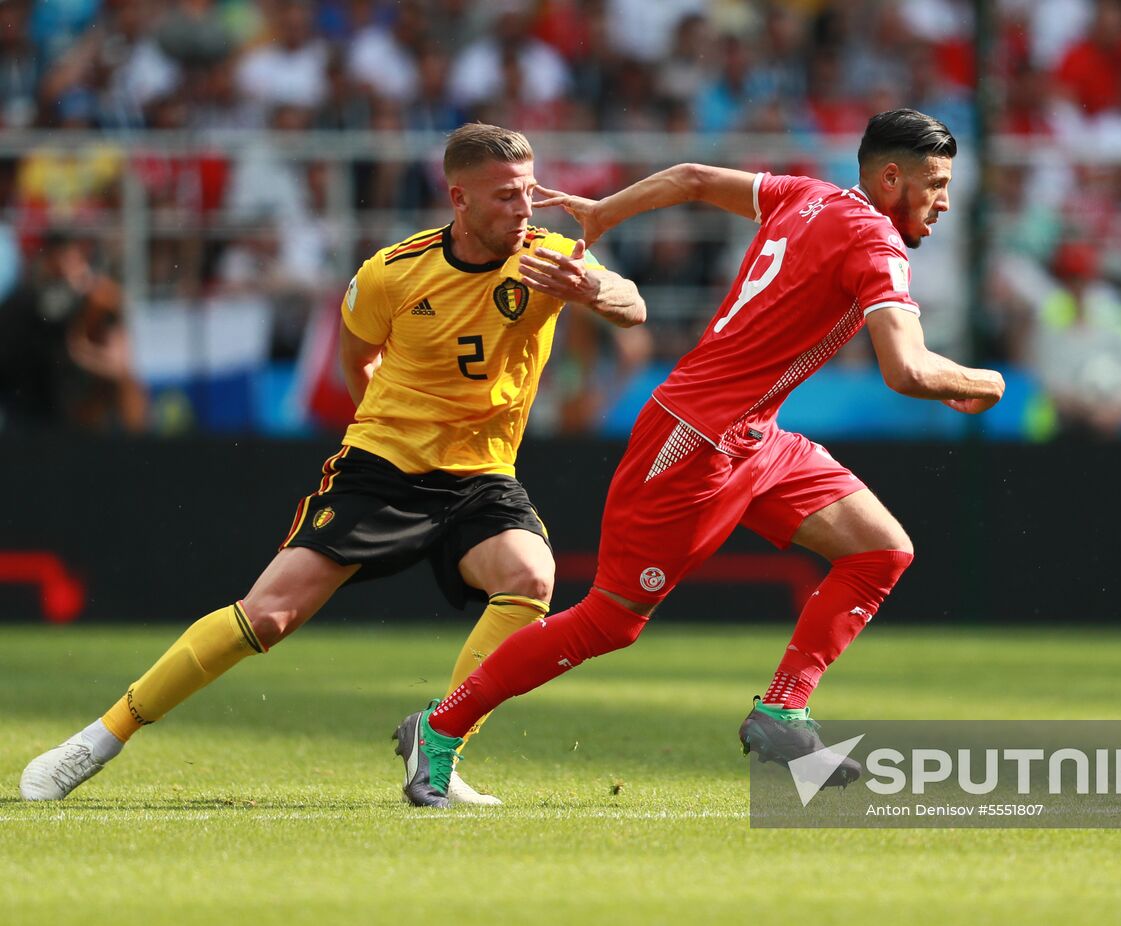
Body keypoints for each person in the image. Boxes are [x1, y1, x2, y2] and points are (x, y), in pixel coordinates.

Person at [394, 109, 1006, 807]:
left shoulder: (809, 195)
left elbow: (690, 178)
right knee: (610, 620)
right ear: (890, 176)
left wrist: (605, 211)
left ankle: (782, 712)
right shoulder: (875, 245)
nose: (945, 200)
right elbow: (907, 370)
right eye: (935, 183)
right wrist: (986, 383)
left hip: (754, 435)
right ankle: (438, 731)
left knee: (881, 551)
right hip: (694, 441)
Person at [20, 123, 647, 805]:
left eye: (528, 193)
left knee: (530, 578)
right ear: (458, 199)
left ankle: (437, 743)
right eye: (504, 197)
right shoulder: (393, 272)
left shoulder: (548, 260)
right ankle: (97, 739)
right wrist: (383, 428)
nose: (523, 210)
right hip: (384, 470)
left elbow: (634, 306)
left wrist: (592, 293)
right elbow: (358, 357)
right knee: (266, 617)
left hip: (482, 475)